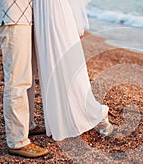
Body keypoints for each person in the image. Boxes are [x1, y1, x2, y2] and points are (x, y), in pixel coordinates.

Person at [33, 0, 114, 141]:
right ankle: (62, 120)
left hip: (54, 9)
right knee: (50, 67)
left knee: (65, 63)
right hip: (39, 10)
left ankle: (98, 114)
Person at [0, 0, 48, 158]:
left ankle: (27, 125)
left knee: (28, 75)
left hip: (25, 13)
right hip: (11, 13)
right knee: (17, 78)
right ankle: (17, 141)